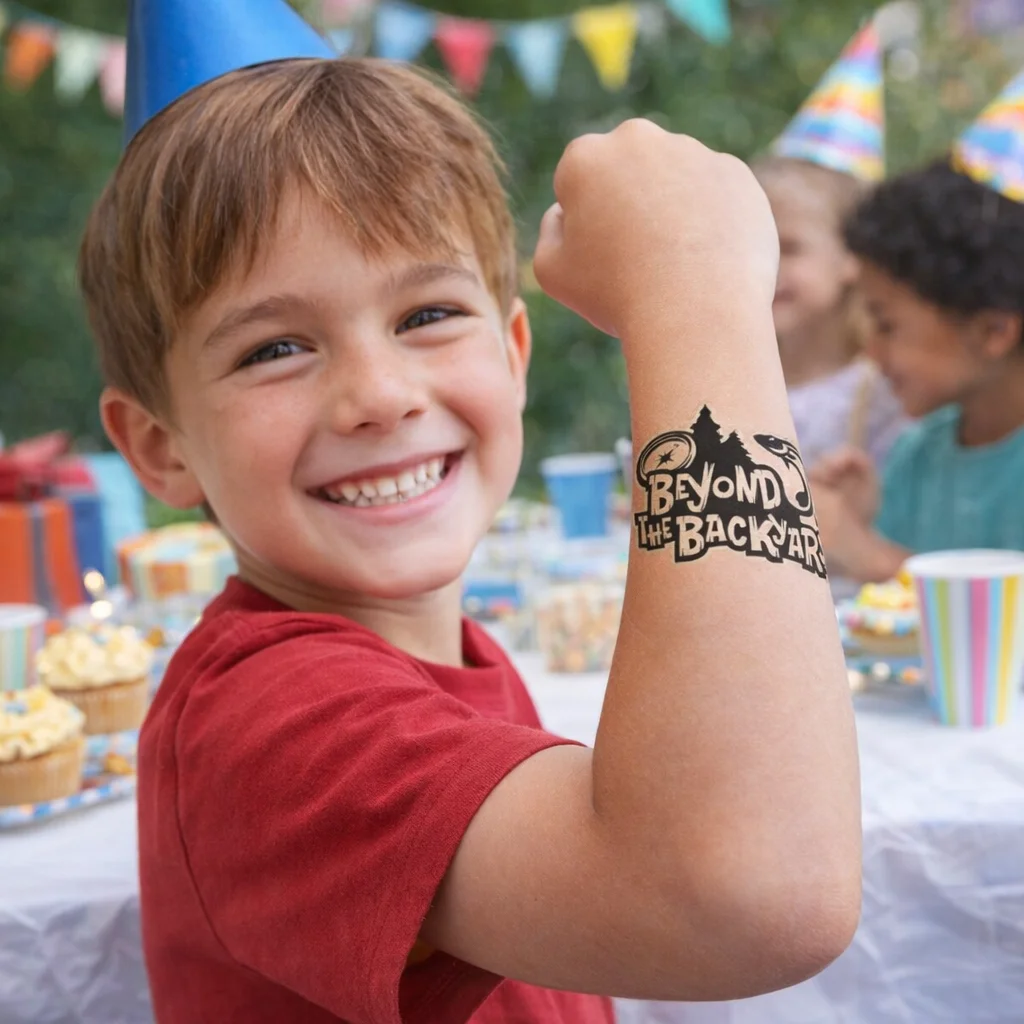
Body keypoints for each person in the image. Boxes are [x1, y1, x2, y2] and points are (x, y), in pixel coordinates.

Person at [79, 13, 861, 1022]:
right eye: (273, 349)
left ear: (514, 352)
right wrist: (694, 290)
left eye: (426, 315)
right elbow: (750, 895)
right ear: (159, 447)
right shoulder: (270, 722)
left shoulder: (442, 656)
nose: (380, 394)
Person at [811, 159, 1024, 582]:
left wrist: (871, 556)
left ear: (993, 331)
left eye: (886, 324)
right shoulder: (917, 456)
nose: (871, 351)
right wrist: (863, 524)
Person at [754, 157, 906, 472]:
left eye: (790, 248)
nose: (767, 266)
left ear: (851, 256)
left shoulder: (883, 394)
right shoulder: (739, 378)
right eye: (756, 247)